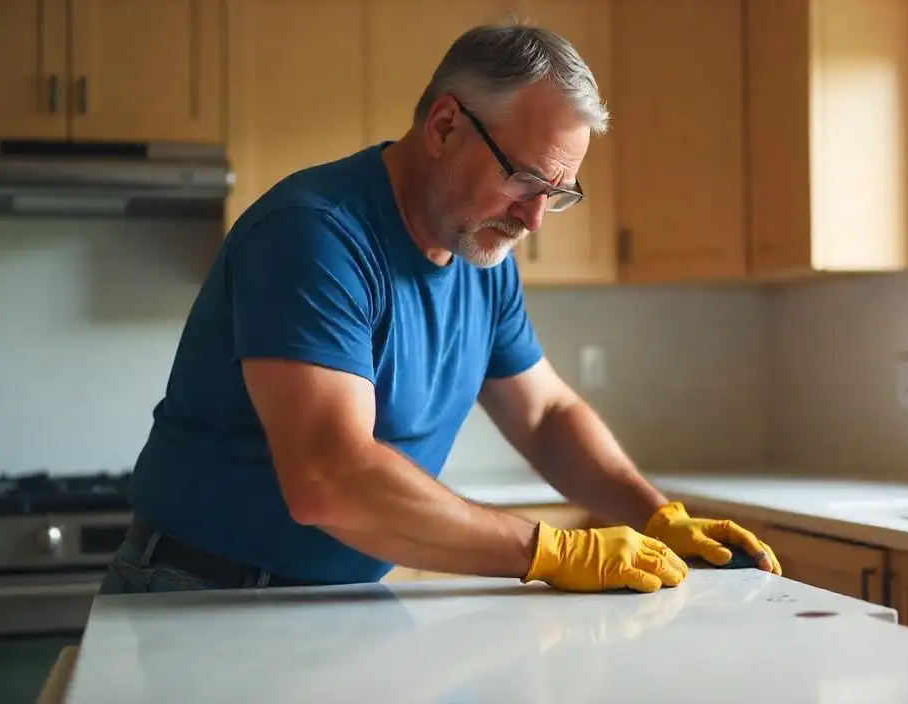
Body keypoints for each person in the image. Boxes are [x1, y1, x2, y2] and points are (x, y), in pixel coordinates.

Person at [99, 21, 781, 596]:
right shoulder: (314, 235)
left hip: (333, 599)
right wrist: (549, 552)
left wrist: (656, 515)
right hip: (205, 598)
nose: (536, 220)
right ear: (446, 124)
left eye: (560, 193)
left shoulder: (481, 257)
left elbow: (545, 417)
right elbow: (328, 481)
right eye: (525, 180)